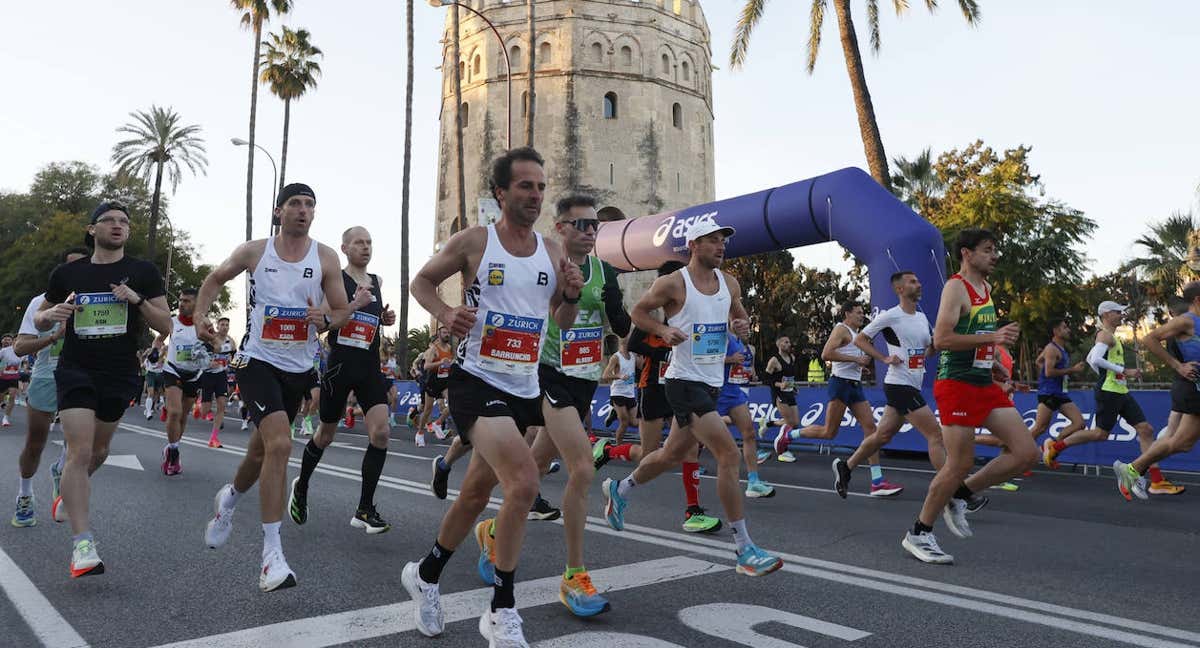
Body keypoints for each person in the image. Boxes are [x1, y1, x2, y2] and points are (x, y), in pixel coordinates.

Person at [400, 147, 583, 646]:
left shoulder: (552, 251)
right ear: (501, 193)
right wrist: (444, 312)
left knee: (479, 492)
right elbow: (421, 282)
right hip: (476, 380)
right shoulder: (476, 242)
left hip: (523, 384)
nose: (535, 195)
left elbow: (561, 323)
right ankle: (501, 608)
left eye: (542, 187)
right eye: (525, 186)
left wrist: (570, 293)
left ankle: (426, 575)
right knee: (524, 483)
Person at [475, 192, 631, 618]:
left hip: (585, 379)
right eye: (580, 224)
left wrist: (612, 308)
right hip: (548, 374)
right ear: (560, 229)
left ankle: (491, 531)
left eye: (594, 225)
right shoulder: (544, 266)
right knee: (582, 467)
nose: (589, 232)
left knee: (537, 464)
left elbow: (622, 327)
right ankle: (574, 577)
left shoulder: (605, 272)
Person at [601, 216, 783, 577]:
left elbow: (739, 316)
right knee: (728, 454)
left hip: (713, 383)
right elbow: (638, 313)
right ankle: (744, 548)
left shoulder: (729, 283)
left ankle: (620, 489)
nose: (721, 247)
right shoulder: (673, 283)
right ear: (694, 245)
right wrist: (663, 328)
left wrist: (742, 324)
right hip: (682, 382)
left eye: (723, 241)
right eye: (713, 240)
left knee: (669, 454)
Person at [198, 183, 353, 592]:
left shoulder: (325, 257)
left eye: (309, 206)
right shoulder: (255, 251)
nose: (303, 211)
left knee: (262, 449)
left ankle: (229, 499)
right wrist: (200, 316)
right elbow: (215, 278)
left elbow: (338, 312)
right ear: (279, 210)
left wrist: (326, 319)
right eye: (295, 205)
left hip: (299, 367)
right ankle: (271, 557)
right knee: (281, 444)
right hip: (256, 361)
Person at [35, 200, 171, 577]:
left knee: (99, 451)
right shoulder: (68, 273)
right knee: (79, 451)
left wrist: (137, 300)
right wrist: (52, 314)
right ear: (92, 230)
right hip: (77, 368)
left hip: (120, 371)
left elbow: (168, 324)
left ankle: (67, 490)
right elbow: (40, 316)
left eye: (123, 222)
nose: (117, 226)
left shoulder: (142, 272)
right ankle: (83, 545)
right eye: (108, 220)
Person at [902, 228, 1037, 566]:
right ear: (967, 253)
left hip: (983, 382)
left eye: (995, 250)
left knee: (1026, 453)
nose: (995, 256)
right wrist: (994, 336)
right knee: (958, 463)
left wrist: (993, 363)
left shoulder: (986, 289)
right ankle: (919, 533)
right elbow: (943, 339)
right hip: (957, 385)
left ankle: (959, 495)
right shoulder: (955, 288)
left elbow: (974, 337)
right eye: (988, 250)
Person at [289, 226, 397, 534]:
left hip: (369, 367)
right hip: (340, 367)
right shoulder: (336, 281)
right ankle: (302, 485)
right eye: (359, 242)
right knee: (325, 435)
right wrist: (354, 306)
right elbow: (322, 323)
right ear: (345, 248)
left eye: (369, 241)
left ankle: (364, 509)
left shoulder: (376, 282)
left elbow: (371, 321)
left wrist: (382, 319)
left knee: (381, 433)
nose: (365, 247)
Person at [1039, 301, 1181, 492]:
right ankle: (1057, 447)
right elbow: (1095, 358)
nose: (1122, 315)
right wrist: (1124, 371)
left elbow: (1091, 359)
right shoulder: (1105, 334)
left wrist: (1112, 373)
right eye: (1118, 312)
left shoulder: (1110, 336)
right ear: (1106, 314)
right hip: (1109, 391)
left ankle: (1157, 481)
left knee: (1145, 429)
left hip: (1120, 390)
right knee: (1100, 434)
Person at [833, 271, 946, 497]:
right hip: (899, 384)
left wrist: (936, 345)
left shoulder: (922, 318)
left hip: (913, 383)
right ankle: (954, 491)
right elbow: (860, 340)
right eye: (913, 282)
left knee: (881, 436)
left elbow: (927, 352)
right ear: (900, 289)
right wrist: (884, 358)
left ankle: (845, 467)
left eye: (918, 280)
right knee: (935, 435)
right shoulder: (890, 316)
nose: (919, 284)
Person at [778, 303, 905, 496]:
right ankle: (789, 435)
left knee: (871, 429)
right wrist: (856, 360)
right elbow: (826, 354)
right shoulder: (841, 329)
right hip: (840, 385)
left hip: (854, 385)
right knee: (829, 432)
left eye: (863, 313)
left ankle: (877, 481)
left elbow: (852, 357)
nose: (862, 316)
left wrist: (860, 367)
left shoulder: (857, 335)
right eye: (858, 313)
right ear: (847, 313)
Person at [11, 248, 89, 527]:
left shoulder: (99, 300)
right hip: (46, 375)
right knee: (35, 442)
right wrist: (54, 336)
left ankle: (62, 470)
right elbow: (19, 347)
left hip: (82, 377)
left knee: (81, 445)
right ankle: (25, 494)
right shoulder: (39, 304)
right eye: (71, 267)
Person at [1114, 281, 1200, 500]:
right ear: (1197, 300)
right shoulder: (1185, 321)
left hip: (1193, 388)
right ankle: (1132, 470)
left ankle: (1132, 470)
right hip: (1191, 387)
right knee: (1180, 441)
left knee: (1183, 442)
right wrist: (1178, 366)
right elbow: (1149, 339)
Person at [156, 288, 210, 476]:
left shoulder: (203, 323)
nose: (182, 303)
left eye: (187, 301)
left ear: (196, 304)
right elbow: (159, 338)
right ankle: (173, 451)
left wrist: (212, 348)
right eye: (180, 300)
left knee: (183, 416)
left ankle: (173, 448)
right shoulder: (172, 321)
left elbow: (213, 343)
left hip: (194, 374)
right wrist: (155, 350)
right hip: (173, 370)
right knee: (175, 412)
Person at [720, 328, 775, 498]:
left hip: (734, 391)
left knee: (749, 433)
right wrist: (730, 359)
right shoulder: (719, 332)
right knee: (684, 443)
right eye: (737, 320)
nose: (743, 325)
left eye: (745, 322)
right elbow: (701, 359)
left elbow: (744, 366)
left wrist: (749, 373)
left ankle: (753, 482)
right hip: (714, 391)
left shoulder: (746, 345)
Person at [1030, 319, 1087, 467]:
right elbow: (1049, 372)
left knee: (1079, 423)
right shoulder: (1051, 349)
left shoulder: (1059, 349)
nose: (1068, 330)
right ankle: (1017, 454)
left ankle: (1051, 448)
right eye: (1064, 327)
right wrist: (1072, 370)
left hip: (1060, 393)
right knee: (1040, 428)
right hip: (1048, 393)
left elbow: (1038, 361)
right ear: (1056, 331)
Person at [200, 316, 237, 448]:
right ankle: (199, 405)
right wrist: (209, 362)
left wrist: (231, 364)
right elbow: (201, 353)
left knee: (222, 405)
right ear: (217, 326)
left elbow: (234, 356)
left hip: (221, 375)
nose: (225, 327)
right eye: (222, 324)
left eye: (227, 325)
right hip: (208, 375)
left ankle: (213, 438)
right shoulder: (211, 338)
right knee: (204, 412)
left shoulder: (231, 341)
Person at [762, 336, 799, 458]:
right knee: (789, 423)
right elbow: (766, 379)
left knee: (795, 424)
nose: (789, 344)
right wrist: (779, 384)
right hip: (779, 394)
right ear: (779, 344)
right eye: (786, 342)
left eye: (789, 342)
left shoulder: (792, 358)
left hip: (789, 393)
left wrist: (793, 387)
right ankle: (782, 450)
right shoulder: (774, 360)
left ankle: (769, 424)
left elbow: (790, 377)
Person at [417, 325, 454, 444]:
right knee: (427, 410)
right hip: (432, 382)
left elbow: (450, 362)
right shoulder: (434, 349)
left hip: (444, 382)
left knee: (454, 403)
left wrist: (451, 364)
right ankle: (420, 433)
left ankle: (437, 423)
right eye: (444, 333)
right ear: (439, 335)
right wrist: (440, 363)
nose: (447, 334)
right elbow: (426, 366)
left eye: (448, 333)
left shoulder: (450, 348)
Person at [600, 334, 638, 446]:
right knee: (625, 422)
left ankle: (614, 412)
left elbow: (641, 366)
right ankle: (618, 446)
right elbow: (605, 376)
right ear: (623, 342)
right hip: (618, 392)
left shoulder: (633, 356)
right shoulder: (616, 357)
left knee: (635, 422)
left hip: (630, 393)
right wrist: (619, 376)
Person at [0, 334, 20, 427]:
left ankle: (6, 418)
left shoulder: (21, 351)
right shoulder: (4, 351)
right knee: (1, 397)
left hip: (14, 377)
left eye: (10, 339)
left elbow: (23, 362)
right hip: (3, 377)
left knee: (12, 396)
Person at [142, 343, 166, 420]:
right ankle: (148, 411)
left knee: (156, 393)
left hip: (159, 374)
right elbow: (143, 358)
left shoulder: (162, 352)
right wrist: (144, 359)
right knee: (151, 393)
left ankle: (151, 408)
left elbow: (162, 356)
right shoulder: (150, 351)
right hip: (150, 374)